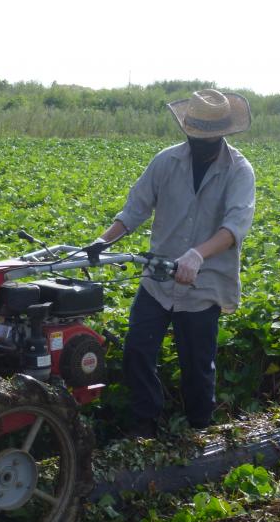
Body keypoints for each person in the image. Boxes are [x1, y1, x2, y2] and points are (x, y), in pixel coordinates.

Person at [94, 88, 256, 438]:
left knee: (196, 367)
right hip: (159, 278)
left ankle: (199, 433)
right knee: (137, 350)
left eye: (207, 138)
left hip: (204, 283)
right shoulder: (166, 162)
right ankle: (145, 427)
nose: (200, 143)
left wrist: (198, 254)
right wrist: (102, 242)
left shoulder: (239, 171)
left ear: (222, 134)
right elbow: (135, 209)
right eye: (194, 135)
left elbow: (234, 226)